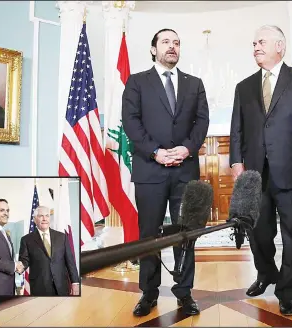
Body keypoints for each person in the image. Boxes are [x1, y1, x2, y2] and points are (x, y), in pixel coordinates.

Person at [229, 25, 292, 316]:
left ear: (280, 46)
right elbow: (237, 130)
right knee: (258, 232)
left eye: (261, 42)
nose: (256, 46)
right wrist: (236, 162)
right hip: (255, 175)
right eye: (254, 42)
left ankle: (287, 292)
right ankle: (266, 274)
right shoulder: (243, 87)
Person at [122, 28, 209, 317]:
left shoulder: (194, 83)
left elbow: (201, 122)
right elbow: (131, 123)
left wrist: (186, 149)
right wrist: (156, 152)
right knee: (149, 234)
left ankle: (184, 293)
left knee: (186, 233)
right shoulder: (136, 82)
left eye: (176, 43)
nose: (172, 47)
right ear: (153, 49)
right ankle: (148, 293)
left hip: (185, 170)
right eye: (165, 42)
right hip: (150, 169)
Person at [18, 206, 80, 296]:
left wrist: (75, 283)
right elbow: (24, 260)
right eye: (41, 216)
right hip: (40, 287)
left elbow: (70, 262)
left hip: (61, 286)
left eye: (47, 216)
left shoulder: (61, 237)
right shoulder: (26, 240)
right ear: (34, 219)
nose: (44, 219)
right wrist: (18, 266)